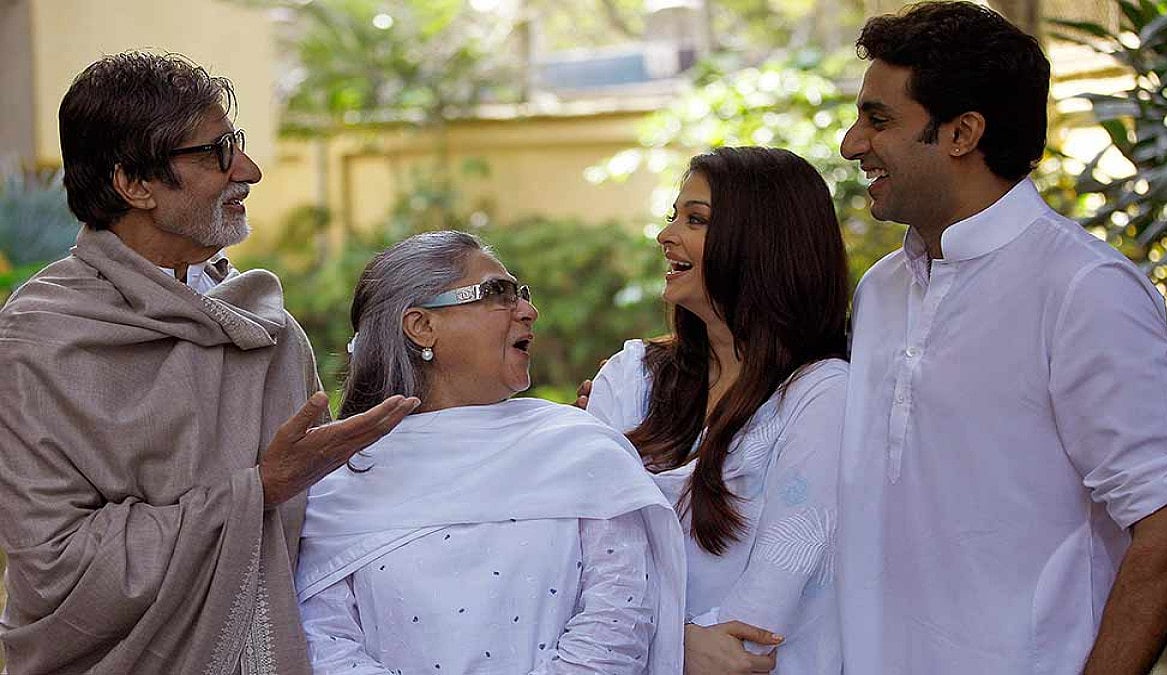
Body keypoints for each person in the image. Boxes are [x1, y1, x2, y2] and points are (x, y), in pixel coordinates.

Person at [0, 52, 417, 674]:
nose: (248, 171)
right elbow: (56, 565)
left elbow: (328, 538)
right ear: (135, 184)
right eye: (216, 153)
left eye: (237, 144)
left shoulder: (265, 327)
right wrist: (259, 490)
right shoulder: (43, 340)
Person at [837, 3, 1167, 673]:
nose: (852, 144)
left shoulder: (1084, 289)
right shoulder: (881, 290)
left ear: (962, 133)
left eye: (878, 120)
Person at [294, 230, 687, 674]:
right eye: (498, 293)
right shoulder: (341, 484)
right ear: (422, 326)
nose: (529, 311)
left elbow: (618, 619)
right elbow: (324, 641)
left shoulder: (581, 452)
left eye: (521, 294)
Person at [585, 146, 849, 674]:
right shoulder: (632, 375)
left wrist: (674, 648)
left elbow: (767, 604)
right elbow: (584, 555)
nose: (666, 236)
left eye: (696, 219)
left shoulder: (821, 393)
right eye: (674, 216)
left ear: (762, 242)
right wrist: (675, 645)